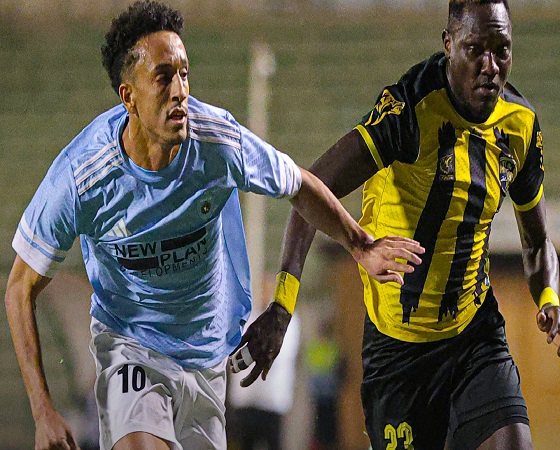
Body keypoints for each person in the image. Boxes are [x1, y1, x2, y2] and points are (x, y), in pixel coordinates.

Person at [3, 2, 424, 449]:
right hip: (131, 344)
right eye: (163, 77)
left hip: (206, 356)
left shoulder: (217, 142)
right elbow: (19, 289)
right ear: (128, 97)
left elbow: (299, 184)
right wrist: (43, 412)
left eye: (184, 74)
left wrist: (359, 244)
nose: (179, 90)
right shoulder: (82, 177)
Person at [236, 1, 560, 448]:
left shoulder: (521, 124)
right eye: (476, 49)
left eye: (502, 50)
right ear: (449, 44)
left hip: (474, 336)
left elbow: (537, 239)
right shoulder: (409, 110)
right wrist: (282, 307)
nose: (491, 66)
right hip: (397, 349)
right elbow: (307, 193)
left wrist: (548, 297)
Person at [227, 274, 301, 450]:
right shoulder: (247, 318)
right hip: (246, 400)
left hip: (272, 401)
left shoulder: (287, 322)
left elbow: (282, 353)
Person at [305, 318, 345, 450]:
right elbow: (314, 366)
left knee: (331, 423)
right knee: (319, 422)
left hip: (330, 393)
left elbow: (335, 365)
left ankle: (329, 444)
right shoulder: (316, 347)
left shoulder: (332, 346)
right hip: (319, 393)